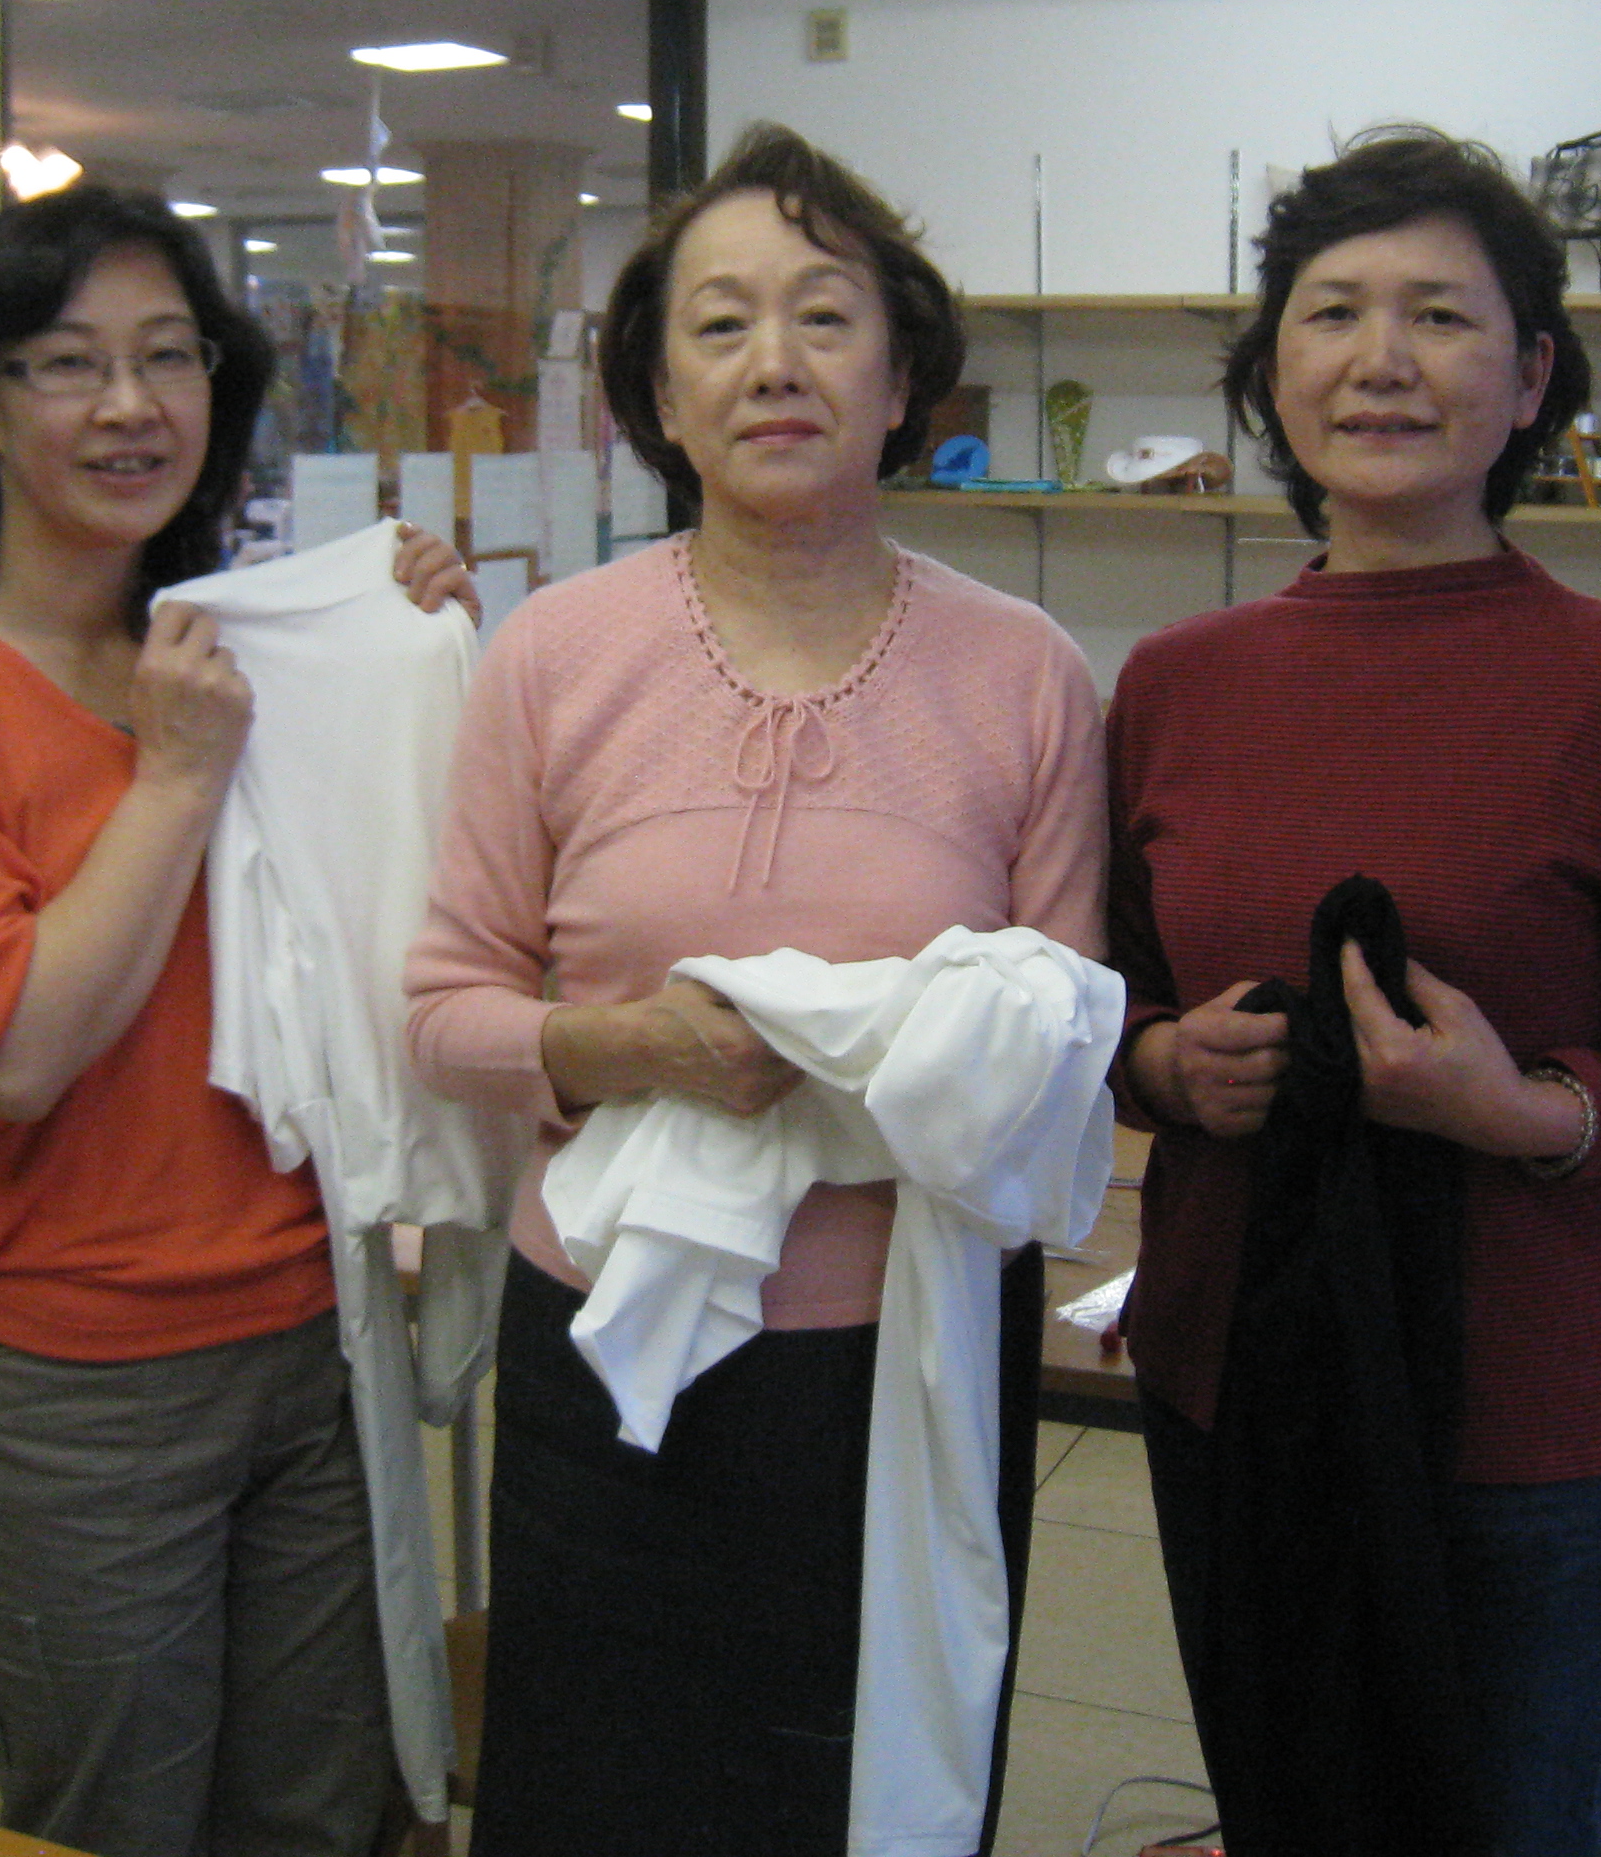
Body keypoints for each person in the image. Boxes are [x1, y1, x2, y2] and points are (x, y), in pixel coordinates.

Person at [404, 123, 1106, 1856]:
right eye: (719, 326)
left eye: (823, 317)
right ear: (660, 391)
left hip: (905, 1354)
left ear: (902, 376)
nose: (773, 363)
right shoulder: (555, 655)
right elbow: (442, 1009)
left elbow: (1061, 1038)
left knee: (857, 1786)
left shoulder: (1026, 673)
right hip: (603, 1332)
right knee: (596, 1789)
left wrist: (911, 1077)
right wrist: (625, 1046)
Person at [1105, 127, 1601, 1857]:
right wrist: (1169, 1069)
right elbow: (1101, 1008)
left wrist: (1520, 1110)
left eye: (1440, 315)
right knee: (1286, 1816)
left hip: (1520, 1424)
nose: (1382, 360)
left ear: (1533, 376)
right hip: (1236, 1387)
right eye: (1333, 312)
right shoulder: (1175, 685)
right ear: (1272, 371)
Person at [0, 182, 472, 1857]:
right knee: (116, 1818)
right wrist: (177, 777)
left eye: (170, 357)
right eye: (69, 363)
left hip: (312, 1334)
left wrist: (402, 650)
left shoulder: (238, 653)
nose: (131, 405)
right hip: (73, 1389)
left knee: (326, 1811)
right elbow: (13, 1057)